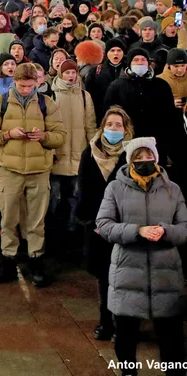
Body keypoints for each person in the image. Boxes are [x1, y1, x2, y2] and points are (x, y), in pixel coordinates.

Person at [96, 137, 187, 375]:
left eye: (149, 157)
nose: (144, 161)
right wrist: (137, 231)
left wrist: (166, 231)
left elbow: (185, 228)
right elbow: (104, 224)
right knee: (126, 336)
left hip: (165, 273)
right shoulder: (115, 188)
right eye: (138, 158)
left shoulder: (173, 189)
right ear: (129, 161)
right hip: (127, 272)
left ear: (156, 159)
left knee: (172, 338)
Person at [0, 63, 66, 287]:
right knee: (8, 218)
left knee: (36, 220)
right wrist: (8, 134)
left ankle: (36, 258)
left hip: (39, 170)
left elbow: (60, 136)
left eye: (30, 86)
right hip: (9, 169)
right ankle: (8, 258)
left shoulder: (47, 104)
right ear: (13, 83)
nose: (26, 90)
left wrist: (44, 136)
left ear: (37, 83)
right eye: (21, 86)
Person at [75, 106, 133, 342]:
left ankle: (126, 323)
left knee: (126, 277)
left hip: (125, 227)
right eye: (110, 125)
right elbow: (84, 190)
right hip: (98, 226)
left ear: (126, 129)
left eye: (118, 125)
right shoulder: (89, 153)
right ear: (102, 127)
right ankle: (105, 321)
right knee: (104, 278)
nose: (113, 129)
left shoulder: (132, 154)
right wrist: (92, 222)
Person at [48, 59, 97, 256]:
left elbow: (90, 126)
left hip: (79, 155)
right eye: (67, 73)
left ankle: (72, 236)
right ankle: (53, 236)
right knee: (54, 198)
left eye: (73, 72)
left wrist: (92, 151)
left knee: (76, 198)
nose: (71, 76)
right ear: (60, 74)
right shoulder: (51, 95)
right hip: (57, 156)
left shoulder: (85, 96)